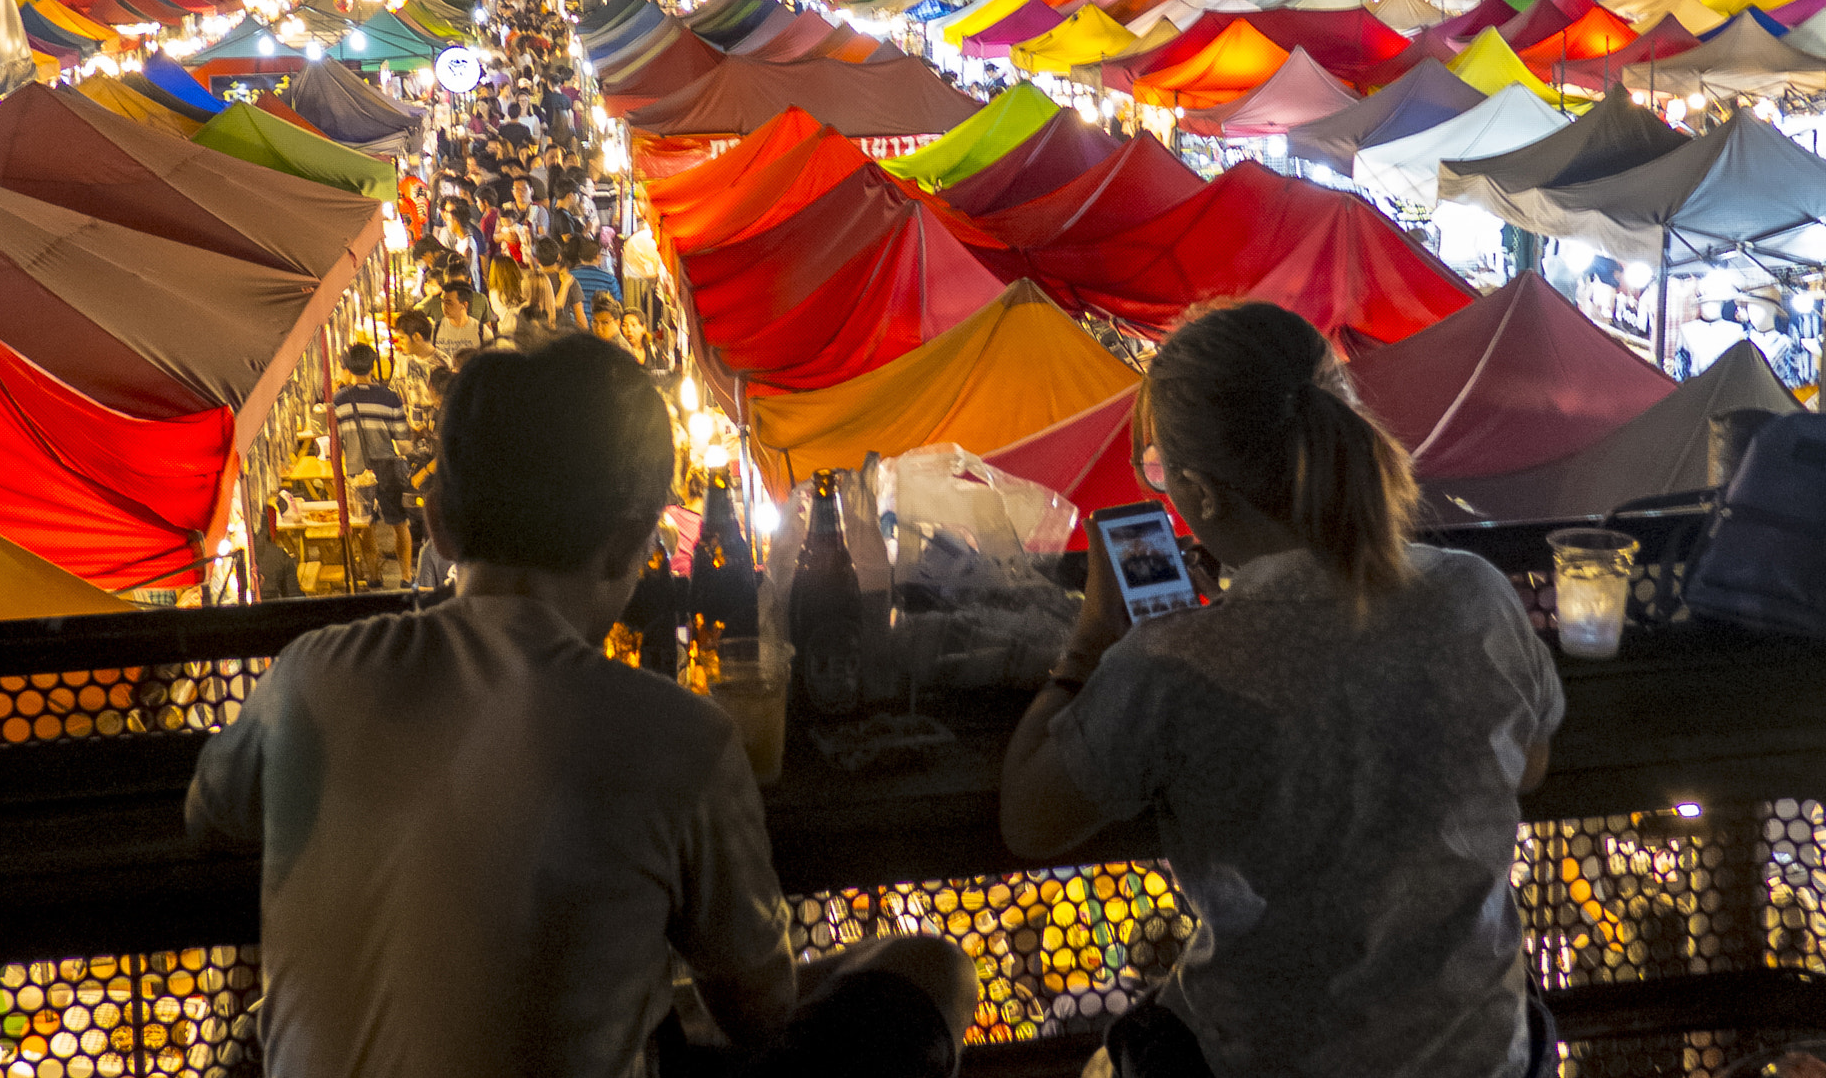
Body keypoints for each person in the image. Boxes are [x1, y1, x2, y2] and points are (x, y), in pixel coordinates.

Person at [187, 337, 974, 1078]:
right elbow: (760, 1010)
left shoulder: (311, 674)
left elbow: (211, 811)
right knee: (932, 968)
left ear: (438, 525)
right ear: (634, 542)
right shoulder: (679, 738)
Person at [999, 302, 1563, 1078]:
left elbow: (1029, 817)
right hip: (1487, 1057)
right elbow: (1527, 763)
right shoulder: (1476, 594)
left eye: (1160, 472)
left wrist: (1092, 641)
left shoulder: (1172, 660)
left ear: (1201, 491)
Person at [331, 342, 414, 585]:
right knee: (400, 523)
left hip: (357, 471)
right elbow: (401, 435)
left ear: (347, 368)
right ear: (372, 365)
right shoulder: (389, 398)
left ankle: (374, 577)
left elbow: (336, 440)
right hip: (387, 468)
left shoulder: (339, 401)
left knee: (366, 526)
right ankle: (407, 577)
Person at [533, 236, 589, 333]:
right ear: (559, 256)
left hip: (537, 337)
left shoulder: (531, 281)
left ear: (537, 260)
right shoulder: (569, 280)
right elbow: (581, 321)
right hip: (562, 336)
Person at [570, 234, 623, 318]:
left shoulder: (569, 277)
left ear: (580, 257)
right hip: (601, 323)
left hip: (574, 325)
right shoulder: (609, 279)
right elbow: (617, 303)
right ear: (598, 256)